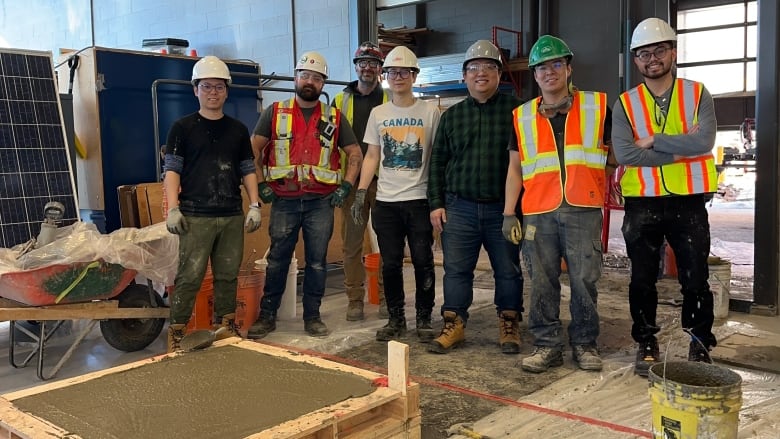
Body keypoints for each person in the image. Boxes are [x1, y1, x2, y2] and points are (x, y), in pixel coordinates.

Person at [613, 17, 718, 377]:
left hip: (688, 199)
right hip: (642, 200)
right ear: (636, 60)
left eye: (659, 50)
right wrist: (678, 150)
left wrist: (655, 140)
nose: (652, 58)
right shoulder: (625, 104)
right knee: (642, 278)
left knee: (695, 277)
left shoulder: (697, 93)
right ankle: (646, 341)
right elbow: (626, 154)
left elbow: (704, 142)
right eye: (644, 53)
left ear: (673, 52)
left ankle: (700, 342)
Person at [504, 35, 611, 373]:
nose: (548, 72)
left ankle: (585, 344)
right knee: (541, 281)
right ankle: (547, 345)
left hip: (583, 207)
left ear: (568, 68)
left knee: (584, 280)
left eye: (555, 64)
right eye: (541, 67)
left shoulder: (596, 107)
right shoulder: (521, 116)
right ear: (534, 75)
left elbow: (615, 154)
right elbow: (515, 168)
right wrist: (509, 212)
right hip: (538, 210)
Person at [247, 51, 363, 339]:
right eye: (305, 75)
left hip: (321, 202)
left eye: (317, 77)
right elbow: (252, 151)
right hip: (284, 200)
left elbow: (355, 154)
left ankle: (313, 316)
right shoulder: (274, 112)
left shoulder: (334, 117)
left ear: (323, 83)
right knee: (277, 260)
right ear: (296, 77)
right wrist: (260, 184)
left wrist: (346, 186)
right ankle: (267, 315)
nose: (310, 81)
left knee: (317, 262)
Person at [427, 40, 524, 355]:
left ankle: (509, 323)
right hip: (460, 208)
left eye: (489, 68)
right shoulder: (452, 117)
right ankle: (454, 323)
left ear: (499, 75)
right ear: (464, 76)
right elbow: (438, 162)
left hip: (503, 209)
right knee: (456, 269)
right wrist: (436, 203)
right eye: (474, 68)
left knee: (508, 269)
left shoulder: (518, 112)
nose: (481, 73)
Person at [164, 55, 261, 352]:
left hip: (232, 214)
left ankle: (226, 327)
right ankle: (177, 332)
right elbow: (172, 170)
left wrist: (254, 204)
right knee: (190, 276)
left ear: (227, 91)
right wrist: (172, 208)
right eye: (207, 87)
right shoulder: (182, 128)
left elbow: (247, 169)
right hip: (196, 216)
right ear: (196, 90)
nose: (213, 92)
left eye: (219, 87)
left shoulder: (238, 130)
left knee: (228, 275)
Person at [351, 45, 441, 342]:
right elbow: (373, 156)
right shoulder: (378, 113)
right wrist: (362, 191)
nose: (398, 77)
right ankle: (396, 318)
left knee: (422, 259)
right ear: (385, 76)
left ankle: (425, 319)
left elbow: (437, 157)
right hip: (386, 202)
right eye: (392, 72)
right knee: (389, 263)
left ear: (414, 76)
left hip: (418, 199)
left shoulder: (430, 111)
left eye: (404, 72)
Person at [333, 41, 391, 321]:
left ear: (380, 69)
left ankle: (385, 296)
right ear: (355, 67)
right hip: (352, 182)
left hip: (385, 182)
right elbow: (330, 143)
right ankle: (355, 299)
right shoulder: (340, 100)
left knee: (387, 241)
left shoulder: (390, 99)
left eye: (373, 63)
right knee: (352, 243)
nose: (367, 68)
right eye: (363, 63)